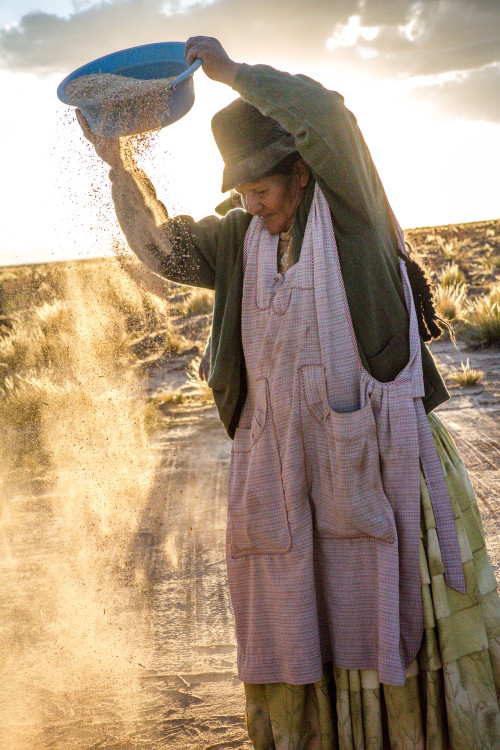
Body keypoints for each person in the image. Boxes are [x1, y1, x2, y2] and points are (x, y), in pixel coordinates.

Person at [76, 37, 500, 750]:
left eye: (262, 191)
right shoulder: (241, 239)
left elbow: (329, 117)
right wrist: (121, 169)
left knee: (400, 630)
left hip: (383, 470)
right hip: (286, 479)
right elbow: (160, 253)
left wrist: (234, 75)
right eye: (241, 195)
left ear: (302, 173)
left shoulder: (356, 219)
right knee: (304, 626)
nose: (252, 206)